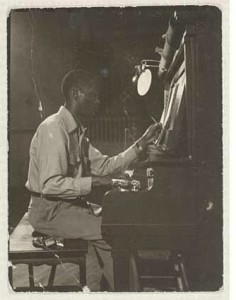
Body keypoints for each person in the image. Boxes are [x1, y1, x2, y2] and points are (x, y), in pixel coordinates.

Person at [25, 69, 160, 291]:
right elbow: (50, 185)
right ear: (76, 94)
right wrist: (95, 182)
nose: (98, 101)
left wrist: (140, 144)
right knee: (111, 232)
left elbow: (106, 165)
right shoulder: (53, 129)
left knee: (113, 225)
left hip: (64, 207)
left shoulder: (76, 132)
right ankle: (125, 290)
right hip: (47, 213)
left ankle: (117, 287)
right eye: (94, 95)